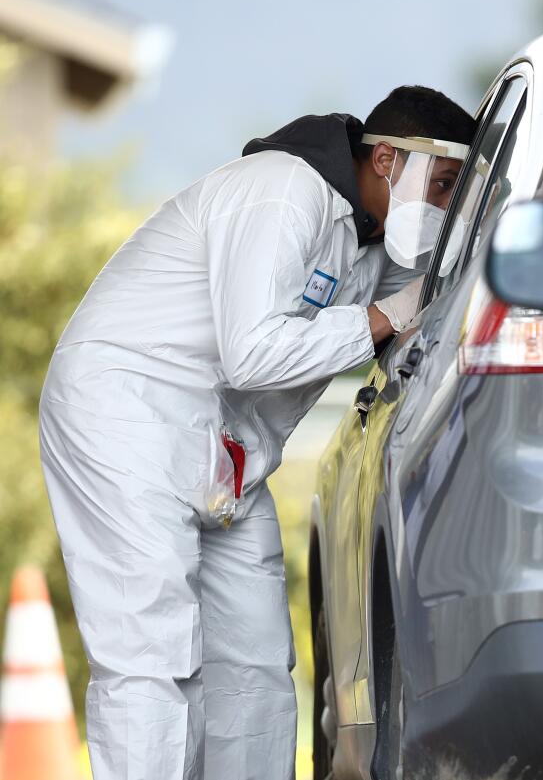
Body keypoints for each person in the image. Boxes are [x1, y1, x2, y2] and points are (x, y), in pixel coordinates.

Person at [38, 85, 475, 780]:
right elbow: (254, 351)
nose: (445, 207)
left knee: (258, 663)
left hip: (225, 448)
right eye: (444, 184)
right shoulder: (281, 193)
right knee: (152, 654)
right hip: (125, 413)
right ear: (387, 158)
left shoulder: (367, 239)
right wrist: (381, 318)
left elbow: (423, 303)